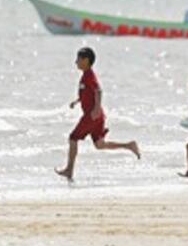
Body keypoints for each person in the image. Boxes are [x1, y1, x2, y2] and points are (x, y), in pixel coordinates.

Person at [56, 47, 140, 180]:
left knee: (73, 138)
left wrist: (96, 108)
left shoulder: (89, 75)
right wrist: (77, 101)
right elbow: (87, 93)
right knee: (100, 145)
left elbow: (98, 91)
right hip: (97, 116)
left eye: (78, 59)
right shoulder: (85, 76)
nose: (75, 62)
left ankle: (69, 170)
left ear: (86, 60)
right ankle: (129, 145)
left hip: (92, 116)